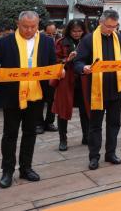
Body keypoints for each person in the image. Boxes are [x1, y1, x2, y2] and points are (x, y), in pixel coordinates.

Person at [0, 11, 58, 188]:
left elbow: (52, 64)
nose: (29, 30)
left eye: (33, 27)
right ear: (17, 24)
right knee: (10, 134)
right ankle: (7, 171)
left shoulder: (47, 41)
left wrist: (58, 72)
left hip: (35, 94)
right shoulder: (5, 42)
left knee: (30, 133)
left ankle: (26, 168)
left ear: (38, 25)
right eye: (25, 26)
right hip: (12, 94)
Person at [73, 9, 121, 171]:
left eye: (114, 27)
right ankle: (94, 156)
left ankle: (111, 153)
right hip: (96, 89)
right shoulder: (89, 39)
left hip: (116, 88)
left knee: (114, 123)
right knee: (95, 125)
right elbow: (78, 61)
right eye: (108, 26)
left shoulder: (119, 38)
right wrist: (83, 67)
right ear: (100, 23)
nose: (111, 30)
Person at [52, 19, 89, 151]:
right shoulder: (61, 42)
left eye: (80, 31)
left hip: (84, 80)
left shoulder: (87, 41)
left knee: (86, 110)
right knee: (62, 111)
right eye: (74, 31)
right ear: (69, 30)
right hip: (66, 80)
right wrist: (68, 59)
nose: (77, 33)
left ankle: (86, 136)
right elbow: (55, 61)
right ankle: (63, 140)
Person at [36, 22, 59, 134]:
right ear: (43, 31)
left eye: (53, 34)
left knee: (52, 100)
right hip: (39, 74)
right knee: (39, 100)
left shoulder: (59, 40)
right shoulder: (39, 40)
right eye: (48, 34)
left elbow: (54, 60)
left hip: (52, 74)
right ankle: (39, 123)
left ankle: (50, 122)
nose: (51, 36)